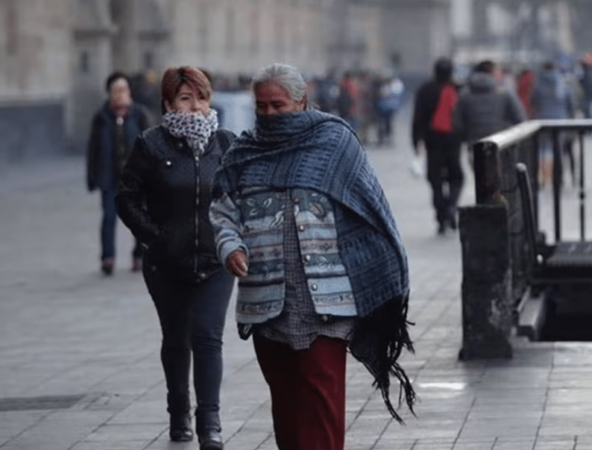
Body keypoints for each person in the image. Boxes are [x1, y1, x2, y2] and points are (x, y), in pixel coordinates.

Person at [210, 63, 415, 450]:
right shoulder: (244, 153)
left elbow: (368, 207)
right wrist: (229, 245)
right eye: (262, 107)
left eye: (278, 105)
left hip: (327, 302)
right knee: (286, 403)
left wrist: (376, 266)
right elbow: (223, 210)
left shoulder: (333, 142)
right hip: (265, 299)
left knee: (322, 402)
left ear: (301, 101)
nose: (270, 114)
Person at [116, 66, 236, 448]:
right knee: (176, 339)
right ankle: (178, 411)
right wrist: (156, 238)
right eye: (186, 98)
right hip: (166, 265)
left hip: (216, 262)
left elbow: (242, 196)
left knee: (208, 337)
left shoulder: (226, 144)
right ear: (168, 103)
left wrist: (235, 239)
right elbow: (127, 199)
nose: (196, 106)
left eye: (202, 97)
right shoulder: (151, 145)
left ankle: (210, 423)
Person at [87, 72, 149, 275]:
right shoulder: (101, 117)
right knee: (108, 217)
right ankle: (108, 257)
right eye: (116, 90)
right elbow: (93, 149)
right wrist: (92, 177)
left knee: (139, 217)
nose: (120, 94)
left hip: (136, 178)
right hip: (109, 177)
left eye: (123, 90)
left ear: (129, 92)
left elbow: (151, 146)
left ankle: (139, 255)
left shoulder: (140, 114)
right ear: (109, 93)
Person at [412, 57, 462, 235]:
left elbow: (418, 117)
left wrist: (416, 141)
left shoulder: (425, 90)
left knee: (435, 179)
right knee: (456, 177)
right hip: (453, 140)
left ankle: (441, 216)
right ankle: (451, 206)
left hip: (432, 140)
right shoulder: (458, 89)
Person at [531, 61, 574, 187]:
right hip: (560, 121)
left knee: (543, 149)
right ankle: (557, 177)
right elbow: (571, 104)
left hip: (543, 120)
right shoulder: (563, 84)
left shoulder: (538, 84)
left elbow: (534, 101)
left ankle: (543, 177)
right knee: (558, 149)